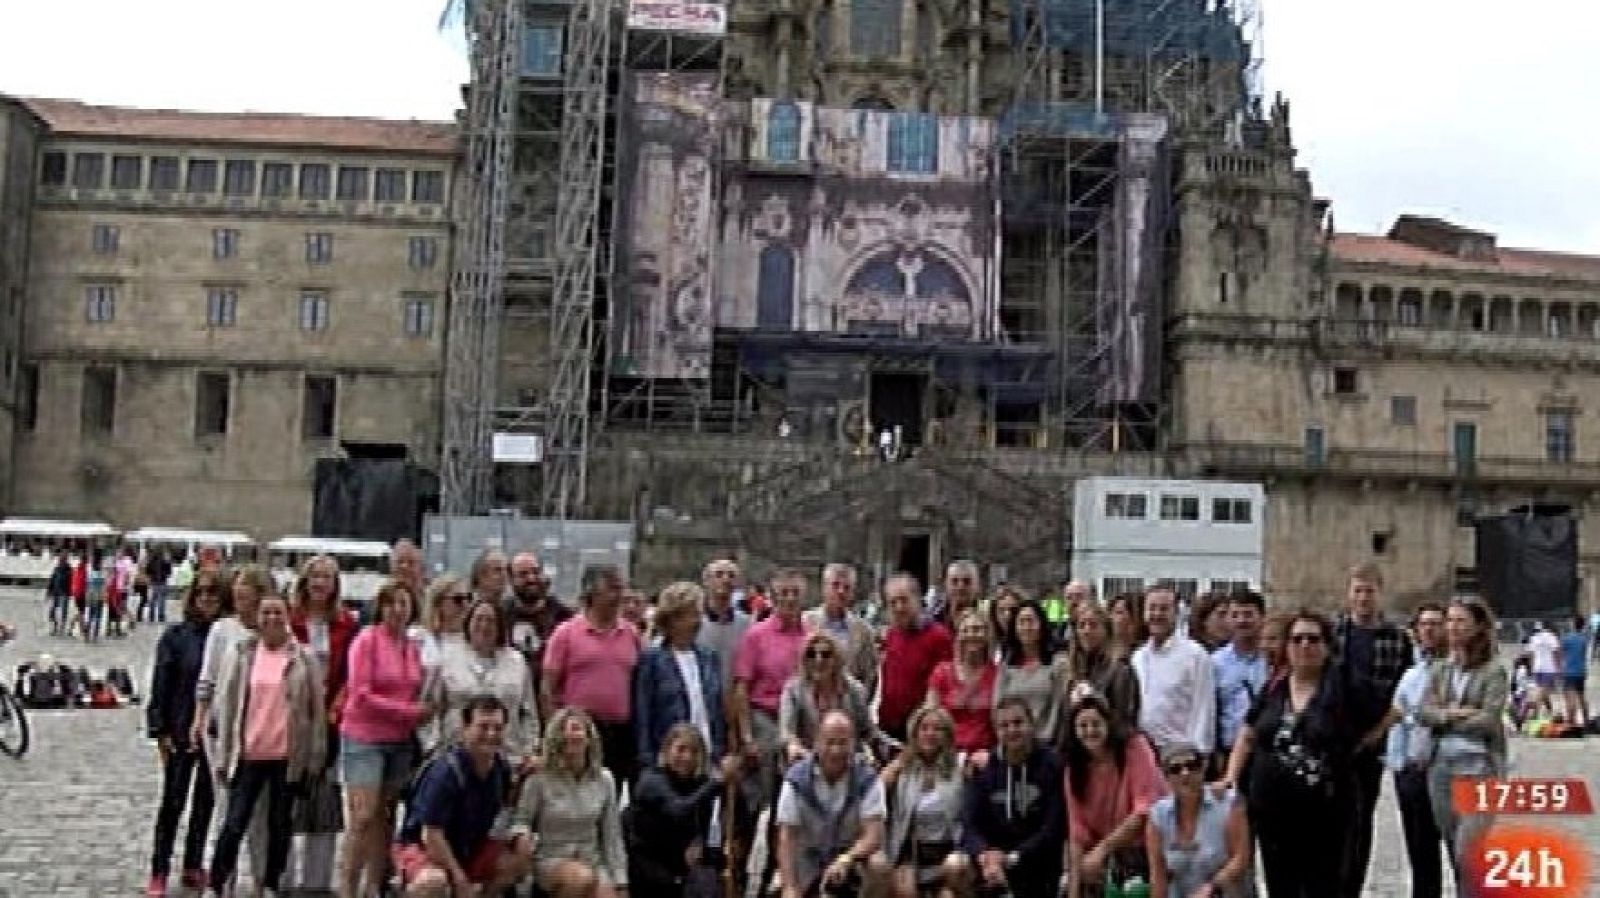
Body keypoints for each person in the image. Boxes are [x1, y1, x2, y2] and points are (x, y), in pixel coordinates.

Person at [1219, 611, 1381, 898]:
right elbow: (1248, 733)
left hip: (1327, 813)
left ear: (1327, 646)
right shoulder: (1274, 687)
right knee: (1281, 886)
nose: (1304, 645)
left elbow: (1387, 713)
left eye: (1313, 639)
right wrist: (1231, 776)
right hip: (1273, 811)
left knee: (1324, 887)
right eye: (1297, 639)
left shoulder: (1344, 686)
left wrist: (1356, 750)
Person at [207, 591, 328, 898]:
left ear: (287, 617)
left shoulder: (303, 657)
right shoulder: (243, 653)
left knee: (279, 825)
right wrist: (223, 755)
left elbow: (316, 711)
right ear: (257, 618)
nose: (272, 619)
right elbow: (228, 704)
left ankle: (271, 882)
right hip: (248, 752)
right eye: (266, 613)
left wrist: (315, 757)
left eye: (278, 613)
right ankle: (217, 881)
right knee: (234, 822)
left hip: (286, 756)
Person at [391, 695, 536, 897]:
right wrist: (459, 878)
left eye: (498, 728)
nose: (491, 734)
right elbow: (431, 835)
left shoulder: (500, 768)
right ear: (465, 728)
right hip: (424, 848)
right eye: (483, 727)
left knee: (518, 857)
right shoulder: (444, 773)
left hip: (469, 846)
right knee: (433, 881)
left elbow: (504, 809)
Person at [340, 580, 428, 898]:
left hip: (399, 740)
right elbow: (360, 694)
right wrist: (408, 712)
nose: (397, 610)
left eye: (404, 603)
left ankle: (374, 884)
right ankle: (347, 886)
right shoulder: (366, 640)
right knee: (363, 815)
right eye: (391, 603)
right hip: (364, 735)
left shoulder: (412, 648)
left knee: (387, 814)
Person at [1331, 564, 1413, 898]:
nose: (1363, 597)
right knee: (1330, 817)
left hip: (1372, 743)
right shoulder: (1333, 633)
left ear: (1380, 593)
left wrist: (1378, 733)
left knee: (1362, 818)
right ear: (1349, 593)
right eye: (1358, 590)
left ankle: (1353, 886)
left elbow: (1405, 692)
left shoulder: (1396, 638)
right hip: (1333, 740)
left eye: (1370, 591)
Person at [1418, 597, 1509, 897]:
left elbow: (1488, 719)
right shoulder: (1441, 669)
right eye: (1450, 620)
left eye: (1460, 621)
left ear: (1478, 626)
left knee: (1468, 853)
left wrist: (1444, 716)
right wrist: (1455, 713)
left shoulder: (1493, 671)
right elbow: (1423, 711)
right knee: (1454, 850)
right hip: (1441, 769)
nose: (1453, 627)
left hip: (1480, 771)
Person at [144, 570, 223, 897]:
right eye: (202, 593)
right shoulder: (176, 636)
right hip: (178, 729)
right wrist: (158, 729)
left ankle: (193, 863)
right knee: (172, 802)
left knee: (204, 802)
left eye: (213, 594)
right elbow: (161, 683)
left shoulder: (224, 636)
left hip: (213, 733)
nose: (206, 599)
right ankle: (159, 868)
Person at [285, 554, 359, 896]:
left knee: (325, 796)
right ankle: (282, 874)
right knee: (285, 796)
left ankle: (317, 879)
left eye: (327, 577)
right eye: (314, 576)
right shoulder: (289, 620)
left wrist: (336, 707)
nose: (320, 584)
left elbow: (349, 673)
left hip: (330, 719)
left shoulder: (346, 624)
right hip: (291, 717)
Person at [543, 564, 642, 785]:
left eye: (621, 589)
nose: (619, 597)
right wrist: (554, 732)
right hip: (579, 732)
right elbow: (548, 687)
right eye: (612, 589)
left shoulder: (632, 634)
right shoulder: (565, 633)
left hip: (620, 734)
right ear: (592, 593)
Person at [774, 710, 889, 898]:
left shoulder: (867, 779)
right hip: (807, 860)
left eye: (843, 742)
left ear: (853, 744)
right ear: (817, 743)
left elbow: (873, 835)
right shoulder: (795, 780)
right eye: (830, 742)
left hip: (851, 859)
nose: (836, 750)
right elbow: (787, 838)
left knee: (880, 865)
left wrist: (847, 858)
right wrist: (789, 886)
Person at [1060, 695, 1166, 897]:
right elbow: (1077, 832)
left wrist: (1101, 852)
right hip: (1103, 857)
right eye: (1083, 726)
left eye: (1095, 724)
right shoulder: (1073, 770)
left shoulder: (1135, 747)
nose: (1090, 731)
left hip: (1145, 848)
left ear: (1108, 723)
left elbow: (1144, 811)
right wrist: (1075, 890)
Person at [519, 707, 629, 897]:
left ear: (589, 737)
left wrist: (620, 881)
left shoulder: (605, 779)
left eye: (576, 729)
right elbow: (521, 820)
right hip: (551, 858)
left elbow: (612, 835)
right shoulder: (539, 777)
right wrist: (522, 837)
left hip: (591, 858)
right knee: (580, 878)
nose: (570, 735)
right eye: (564, 730)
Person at [961, 698, 1064, 898]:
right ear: (996, 731)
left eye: (1018, 723)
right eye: (1004, 726)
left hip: (1037, 861)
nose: (1012, 730)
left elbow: (1053, 827)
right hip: (992, 864)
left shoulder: (1052, 765)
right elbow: (969, 824)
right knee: (957, 866)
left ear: (1031, 724)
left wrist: (1013, 858)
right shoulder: (985, 767)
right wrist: (986, 855)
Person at [627, 723, 740, 895]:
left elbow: (709, 822)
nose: (687, 757)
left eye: (693, 752)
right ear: (667, 750)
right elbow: (678, 809)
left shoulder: (699, 784)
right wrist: (717, 781)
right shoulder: (651, 780)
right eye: (681, 749)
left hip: (681, 864)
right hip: (648, 867)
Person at [1382, 603, 1447, 898]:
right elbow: (1397, 719)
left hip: (1447, 770)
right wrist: (1398, 764)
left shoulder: (1457, 670)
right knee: (1420, 850)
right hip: (1411, 771)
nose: (1430, 630)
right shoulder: (1411, 674)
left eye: (1437, 623)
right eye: (1425, 624)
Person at [430, 596, 541, 769]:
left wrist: (529, 750)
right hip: (455, 753)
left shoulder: (516, 661)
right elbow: (434, 707)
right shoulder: (447, 657)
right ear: (468, 622)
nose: (484, 625)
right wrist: (432, 746)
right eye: (478, 619)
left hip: (508, 754)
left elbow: (528, 712)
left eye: (490, 620)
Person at [634, 582, 728, 770]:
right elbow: (643, 713)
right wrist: (647, 759)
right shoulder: (652, 659)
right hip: (669, 758)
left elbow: (717, 709)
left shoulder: (709, 657)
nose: (697, 621)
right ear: (672, 618)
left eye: (698, 614)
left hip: (706, 755)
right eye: (691, 615)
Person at [878, 706, 968, 898]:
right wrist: (893, 769)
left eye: (937, 729)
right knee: (905, 891)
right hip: (912, 853)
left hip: (947, 852)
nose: (930, 734)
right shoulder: (903, 767)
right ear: (915, 733)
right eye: (924, 728)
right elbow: (875, 795)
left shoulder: (960, 769)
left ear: (947, 735)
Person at [1146, 742, 1252, 898]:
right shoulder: (1158, 816)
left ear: (1203, 768)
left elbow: (1240, 859)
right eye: (1176, 769)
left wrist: (1212, 888)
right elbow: (1158, 877)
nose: (1185, 773)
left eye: (1192, 766)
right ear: (1166, 777)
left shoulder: (1227, 803)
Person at [1131, 587, 1216, 761]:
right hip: (1142, 753)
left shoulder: (1195, 655)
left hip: (1180, 756)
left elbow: (1204, 708)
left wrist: (1198, 754)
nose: (1157, 614)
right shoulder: (1138, 656)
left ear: (1176, 613)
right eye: (1152, 608)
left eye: (1163, 609)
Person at [780, 632, 882, 764]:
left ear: (836, 659)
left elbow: (867, 731)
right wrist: (794, 747)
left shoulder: (854, 689)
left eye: (826, 654)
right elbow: (787, 732)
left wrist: (872, 753)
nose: (818, 660)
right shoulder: (793, 690)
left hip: (849, 763)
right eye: (811, 654)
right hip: (808, 763)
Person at [878, 574, 953, 743]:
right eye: (893, 602)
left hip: (922, 731)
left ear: (918, 599)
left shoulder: (938, 637)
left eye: (904, 600)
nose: (899, 607)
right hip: (889, 727)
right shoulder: (891, 634)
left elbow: (946, 686)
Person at [1056, 602, 1141, 734]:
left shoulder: (1120, 670)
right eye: (1082, 625)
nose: (1087, 631)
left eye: (1093, 625)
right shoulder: (1071, 671)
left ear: (1106, 630)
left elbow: (1125, 719)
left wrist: (1095, 701)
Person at [927, 610, 1000, 758]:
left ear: (987, 636)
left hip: (985, 755)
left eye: (977, 629)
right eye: (965, 630)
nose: (971, 634)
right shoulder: (942, 672)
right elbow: (930, 715)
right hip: (946, 754)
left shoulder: (999, 674)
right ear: (958, 636)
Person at [802, 563, 880, 697]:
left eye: (847, 587)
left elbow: (870, 676)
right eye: (835, 585)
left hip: (849, 706)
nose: (841, 591)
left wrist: (858, 704)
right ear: (824, 588)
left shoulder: (864, 631)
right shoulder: (805, 623)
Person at [1211, 592, 1268, 773]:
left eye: (1248, 614)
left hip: (1266, 751)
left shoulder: (1272, 660)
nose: (1242, 621)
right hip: (1227, 752)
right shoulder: (1215, 662)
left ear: (1262, 618)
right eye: (1235, 615)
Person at [995, 598, 1063, 743]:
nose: (1026, 627)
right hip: (1012, 743)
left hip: (1047, 742)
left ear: (1041, 626)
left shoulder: (1057, 664)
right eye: (1021, 622)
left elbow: (1059, 707)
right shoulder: (1006, 666)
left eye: (1031, 621)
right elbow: (997, 707)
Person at [1560, 615, 1590, 725]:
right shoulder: (1583, 639)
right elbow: (1583, 654)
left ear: (1573, 624)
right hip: (1581, 671)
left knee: (1570, 698)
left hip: (1569, 671)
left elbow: (1562, 654)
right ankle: (1586, 721)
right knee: (1582, 697)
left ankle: (1571, 721)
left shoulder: (1567, 638)